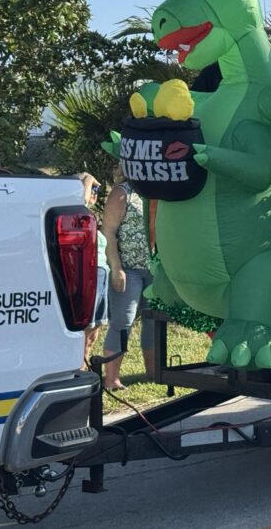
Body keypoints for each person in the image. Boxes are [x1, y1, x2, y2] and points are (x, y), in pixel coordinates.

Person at [101, 165, 154, 390]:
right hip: (128, 269)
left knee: (153, 322)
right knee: (123, 322)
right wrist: (116, 267)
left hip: (154, 269)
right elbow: (109, 231)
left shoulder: (156, 191)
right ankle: (112, 378)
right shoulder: (122, 193)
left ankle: (153, 373)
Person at [80, 173, 108, 369]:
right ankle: (78, 366)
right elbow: (81, 200)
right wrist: (87, 180)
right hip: (90, 273)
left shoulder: (93, 217)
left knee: (97, 325)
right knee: (86, 325)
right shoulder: (78, 211)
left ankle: (86, 363)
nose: (94, 194)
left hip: (103, 273)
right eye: (92, 191)